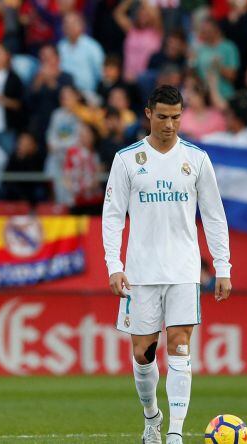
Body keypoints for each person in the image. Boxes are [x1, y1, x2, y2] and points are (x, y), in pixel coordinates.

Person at [102, 85, 232, 444]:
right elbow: (112, 216)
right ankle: (151, 418)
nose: (170, 125)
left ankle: (174, 433)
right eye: (163, 117)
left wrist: (223, 267)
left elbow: (214, 215)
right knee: (143, 355)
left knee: (179, 344)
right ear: (148, 114)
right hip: (140, 271)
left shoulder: (197, 159)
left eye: (176, 117)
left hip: (183, 270)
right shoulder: (127, 159)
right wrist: (114, 264)